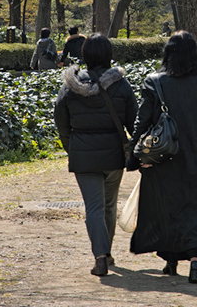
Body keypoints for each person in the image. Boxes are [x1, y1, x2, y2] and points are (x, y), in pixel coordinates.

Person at [127, 30, 197, 284]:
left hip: (163, 160)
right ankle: (195, 263)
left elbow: (142, 122)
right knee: (196, 209)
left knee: (166, 208)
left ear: (168, 54)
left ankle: (171, 260)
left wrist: (133, 156)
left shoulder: (155, 82)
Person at [54, 33, 138, 277]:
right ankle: (107, 253)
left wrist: (73, 146)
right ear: (109, 54)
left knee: (94, 207)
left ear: (85, 54)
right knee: (109, 205)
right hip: (113, 153)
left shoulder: (70, 85)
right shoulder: (121, 85)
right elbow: (134, 121)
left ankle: (100, 258)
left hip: (84, 155)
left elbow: (61, 120)